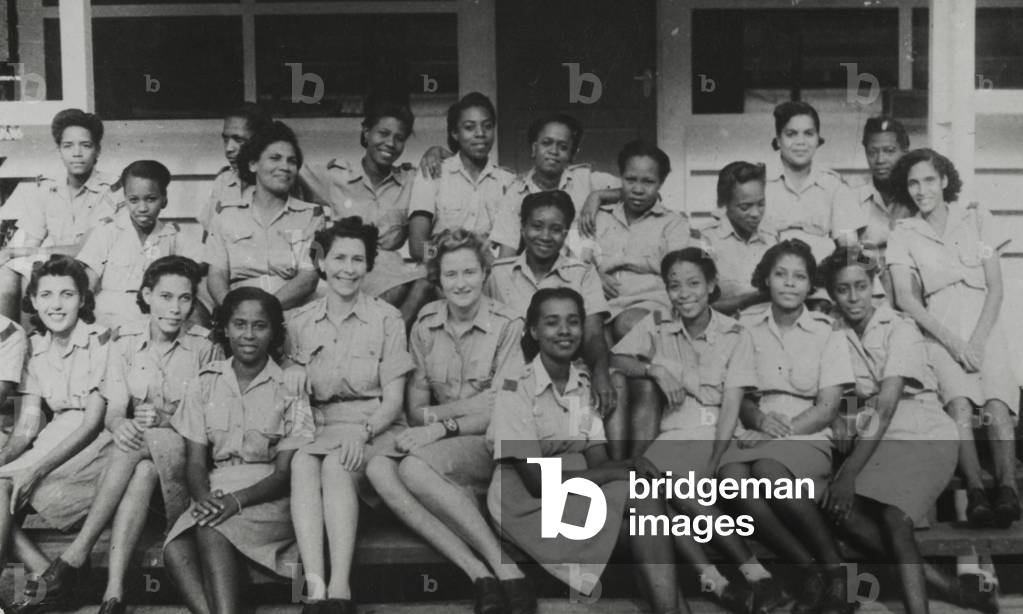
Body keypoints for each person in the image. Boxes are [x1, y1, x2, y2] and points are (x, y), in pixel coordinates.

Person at [14, 256, 218, 614]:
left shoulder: (204, 347)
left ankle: (75, 555)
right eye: (166, 297)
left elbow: (210, 423)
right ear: (147, 295)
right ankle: (114, 594)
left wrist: (166, 419)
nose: (175, 308)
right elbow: (112, 411)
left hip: (183, 461)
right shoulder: (124, 342)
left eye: (184, 299)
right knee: (140, 465)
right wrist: (118, 422)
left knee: (139, 439)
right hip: (142, 465)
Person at [818, 248, 999, 614]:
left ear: (873, 287)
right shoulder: (835, 331)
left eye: (860, 286)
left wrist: (849, 471)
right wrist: (840, 418)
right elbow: (850, 395)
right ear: (832, 293)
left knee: (893, 518)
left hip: (922, 431)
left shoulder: (900, 327)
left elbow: (886, 405)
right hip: (879, 437)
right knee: (839, 511)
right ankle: (950, 589)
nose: (853, 297)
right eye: (842, 289)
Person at [487, 287, 686, 614]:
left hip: (573, 491)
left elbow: (598, 458)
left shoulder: (581, 382)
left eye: (573, 322)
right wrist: (619, 469)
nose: (564, 331)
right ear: (534, 331)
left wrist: (626, 470)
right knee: (649, 528)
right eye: (552, 323)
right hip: (525, 502)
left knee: (646, 507)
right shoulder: (515, 387)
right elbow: (538, 483)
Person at [365, 229, 534, 614]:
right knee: (377, 468)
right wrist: (466, 406)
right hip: (439, 442)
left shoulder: (509, 324)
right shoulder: (425, 325)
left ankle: (506, 570)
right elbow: (416, 411)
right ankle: (479, 573)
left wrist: (442, 424)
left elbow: (503, 409)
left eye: (469, 273)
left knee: (413, 469)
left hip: (489, 442)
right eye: (451, 275)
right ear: (438, 280)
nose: (461, 283)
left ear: (484, 273)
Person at [611, 247, 787, 614]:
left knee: (664, 485)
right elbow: (617, 357)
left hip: (714, 435)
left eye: (693, 283)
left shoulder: (735, 333)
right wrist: (654, 370)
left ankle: (747, 576)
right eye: (674, 286)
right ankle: (729, 582)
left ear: (710, 286)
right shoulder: (658, 323)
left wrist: (715, 461)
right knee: (650, 498)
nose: (684, 293)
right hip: (671, 434)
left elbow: (731, 407)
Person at [716, 240, 855, 614]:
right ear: (767, 280)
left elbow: (827, 408)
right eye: (781, 275)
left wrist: (777, 431)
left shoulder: (829, 331)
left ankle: (838, 572)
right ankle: (807, 569)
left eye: (799, 277)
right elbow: (740, 396)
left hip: (806, 430)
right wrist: (759, 420)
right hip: (758, 426)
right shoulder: (747, 327)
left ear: (811, 285)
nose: (790, 284)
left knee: (768, 472)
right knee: (730, 478)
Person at [284, 218, 413, 613]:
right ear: (321, 263)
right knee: (303, 462)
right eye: (339, 257)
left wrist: (364, 430)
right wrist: (292, 375)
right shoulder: (298, 322)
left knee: (337, 466)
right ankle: (314, 588)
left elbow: (393, 401)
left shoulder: (387, 319)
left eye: (358, 259)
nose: (348, 268)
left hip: (374, 426)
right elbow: (293, 397)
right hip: (321, 426)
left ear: (368, 265)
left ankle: (340, 589)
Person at [886, 148, 1019, 527]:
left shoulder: (976, 219)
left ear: (945, 181)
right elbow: (907, 298)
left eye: (929, 180)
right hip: (940, 329)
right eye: (913, 182)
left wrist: (976, 341)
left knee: (996, 403)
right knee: (959, 404)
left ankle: (1008, 489)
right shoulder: (904, 234)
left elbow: (995, 287)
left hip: (984, 324)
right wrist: (954, 343)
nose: (921, 189)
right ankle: (976, 491)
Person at [162, 287, 314, 614]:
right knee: (176, 550)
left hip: (268, 497)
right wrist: (204, 498)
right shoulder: (204, 383)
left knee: (209, 528)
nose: (248, 334)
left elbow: (286, 473)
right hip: (215, 490)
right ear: (225, 328)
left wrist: (235, 501)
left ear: (273, 332)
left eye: (260, 326)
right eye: (239, 324)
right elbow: (195, 463)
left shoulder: (291, 388)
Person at [0, 256, 118, 611]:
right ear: (33, 301)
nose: (56, 304)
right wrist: (4, 459)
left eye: (67, 294)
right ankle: (48, 580)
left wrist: (33, 470)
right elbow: (27, 424)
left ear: (83, 299)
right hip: (51, 438)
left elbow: (93, 422)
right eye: (46, 295)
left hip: (94, 444)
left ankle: (41, 588)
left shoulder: (103, 339)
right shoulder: (35, 348)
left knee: (8, 492)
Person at [485, 190, 615, 436]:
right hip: (514, 377)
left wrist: (600, 374)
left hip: (565, 375)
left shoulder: (582, 273)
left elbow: (594, 333)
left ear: (566, 233)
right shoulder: (498, 274)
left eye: (556, 229)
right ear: (522, 228)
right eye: (536, 226)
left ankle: (619, 467)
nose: (545, 236)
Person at [300, 99, 433, 325]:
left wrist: (436, 151)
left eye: (399, 138)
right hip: (352, 267)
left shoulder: (411, 180)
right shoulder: (336, 177)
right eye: (383, 133)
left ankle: (391, 332)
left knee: (428, 279)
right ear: (366, 132)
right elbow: (289, 172)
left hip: (393, 268)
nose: (390, 143)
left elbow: (423, 244)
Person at [0, 109, 121, 321]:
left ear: (98, 151)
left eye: (86, 145)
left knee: (38, 278)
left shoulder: (111, 189)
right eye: (68, 146)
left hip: (93, 267)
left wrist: (22, 251)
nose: (77, 153)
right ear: (59, 151)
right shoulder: (48, 187)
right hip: (53, 263)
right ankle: (12, 345)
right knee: (8, 277)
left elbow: (84, 249)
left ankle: (35, 344)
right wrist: (13, 255)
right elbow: (32, 237)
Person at [204, 121, 325, 311]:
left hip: (292, 309)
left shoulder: (313, 217)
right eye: (275, 158)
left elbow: (309, 277)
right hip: (237, 310)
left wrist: (265, 311)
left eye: (291, 161)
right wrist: (233, 311)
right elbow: (216, 275)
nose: (285, 167)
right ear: (253, 164)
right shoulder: (225, 214)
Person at [586, 140, 694, 343]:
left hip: (650, 301)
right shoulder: (597, 217)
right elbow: (576, 262)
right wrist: (594, 277)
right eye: (630, 179)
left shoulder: (673, 224)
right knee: (591, 335)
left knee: (627, 325)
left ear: (661, 183)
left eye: (648, 182)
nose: (637, 189)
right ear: (621, 178)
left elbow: (678, 272)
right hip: (600, 302)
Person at [487, 113, 619, 257]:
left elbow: (638, 189)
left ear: (571, 154)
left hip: (581, 273)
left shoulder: (585, 180)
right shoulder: (516, 192)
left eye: (563, 147)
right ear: (534, 148)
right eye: (546, 143)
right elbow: (506, 256)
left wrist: (597, 195)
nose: (554, 151)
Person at [77, 161, 189, 325]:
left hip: (154, 317)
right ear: (125, 199)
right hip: (110, 316)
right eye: (134, 200)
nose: (142, 208)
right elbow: (90, 278)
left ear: (164, 200)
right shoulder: (108, 230)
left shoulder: (172, 236)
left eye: (151, 199)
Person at [408, 92, 514, 261]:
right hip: (441, 276)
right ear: (455, 133)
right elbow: (417, 246)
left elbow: (508, 251)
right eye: (469, 127)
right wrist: (445, 260)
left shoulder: (507, 182)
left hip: (488, 275)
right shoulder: (432, 174)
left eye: (487, 126)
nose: (480, 133)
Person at [762, 101, 864, 265]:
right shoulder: (759, 183)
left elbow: (849, 246)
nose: (800, 141)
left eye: (809, 133)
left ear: (818, 139)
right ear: (778, 140)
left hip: (820, 281)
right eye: (791, 134)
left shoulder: (834, 186)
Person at [699, 161, 777, 315]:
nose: (755, 214)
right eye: (745, 207)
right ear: (725, 203)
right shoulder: (706, 240)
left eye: (761, 204)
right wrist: (751, 299)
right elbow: (701, 305)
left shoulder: (771, 237)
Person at [856, 117, 914, 300]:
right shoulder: (851, 196)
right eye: (872, 152)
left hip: (915, 283)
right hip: (870, 285)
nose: (880, 159)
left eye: (889, 151)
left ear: (905, 152)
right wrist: (873, 267)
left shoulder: (918, 195)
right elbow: (849, 251)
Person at [198, 103, 274, 233]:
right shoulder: (223, 181)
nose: (229, 149)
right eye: (226, 139)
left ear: (262, 140)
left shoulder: (281, 181)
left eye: (239, 140)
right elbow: (208, 235)